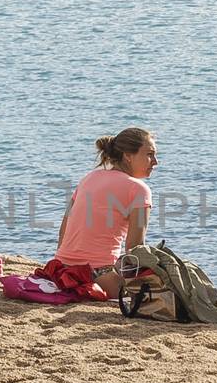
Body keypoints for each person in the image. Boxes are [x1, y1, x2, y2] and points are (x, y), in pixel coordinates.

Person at [49, 127, 157, 298]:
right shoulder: (139, 190)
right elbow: (134, 247)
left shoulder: (88, 178)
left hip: (60, 270)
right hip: (99, 275)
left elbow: (64, 226)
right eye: (149, 154)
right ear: (128, 156)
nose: (155, 161)